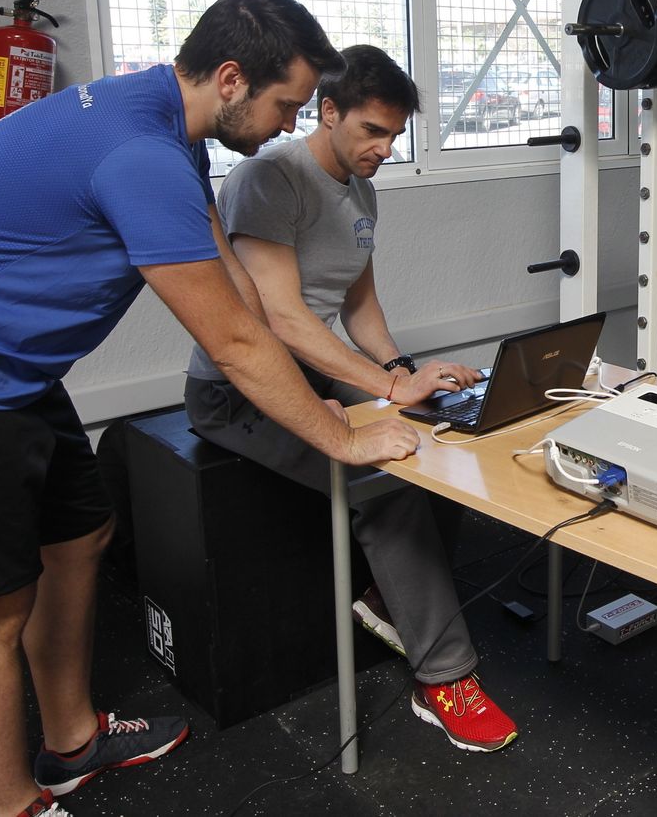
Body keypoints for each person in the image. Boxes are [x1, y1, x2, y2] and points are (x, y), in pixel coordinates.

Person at [0, 0, 422, 817]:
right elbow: (229, 341)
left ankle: (71, 741)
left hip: (11, 369)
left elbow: (239, 293)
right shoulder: (140, 154)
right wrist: (341, 437)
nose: (293, 125)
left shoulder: (168, 130)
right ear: (231, 78)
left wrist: (337, 385)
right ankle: (15, 806)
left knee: (79, 533)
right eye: (288, 105)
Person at [182, 44, 519, 753]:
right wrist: (386, 388)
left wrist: (406, 375)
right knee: (381, 482)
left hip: (311, 369)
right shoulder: (270, 177)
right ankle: (446, 677)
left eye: (395, 135)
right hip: (237, 388)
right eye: (372, 130)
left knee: (438, 436)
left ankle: (380, 596)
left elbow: (355, 301)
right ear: (327, 111)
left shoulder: (362, 190)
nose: (384, 148)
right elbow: (282, 317)